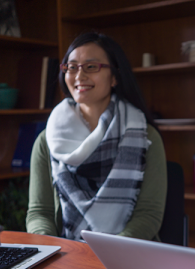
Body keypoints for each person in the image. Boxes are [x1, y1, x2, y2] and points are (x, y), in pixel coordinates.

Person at [26, 32, 167, 241]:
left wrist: (110, 252)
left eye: (91, 67)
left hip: (128, 257)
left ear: (115, 77)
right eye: (71, 67)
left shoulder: (147, 137)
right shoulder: (47, 141)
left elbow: (149, 215)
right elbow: (40, 213)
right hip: (65, 259)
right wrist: (52, 247)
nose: (79, 76)